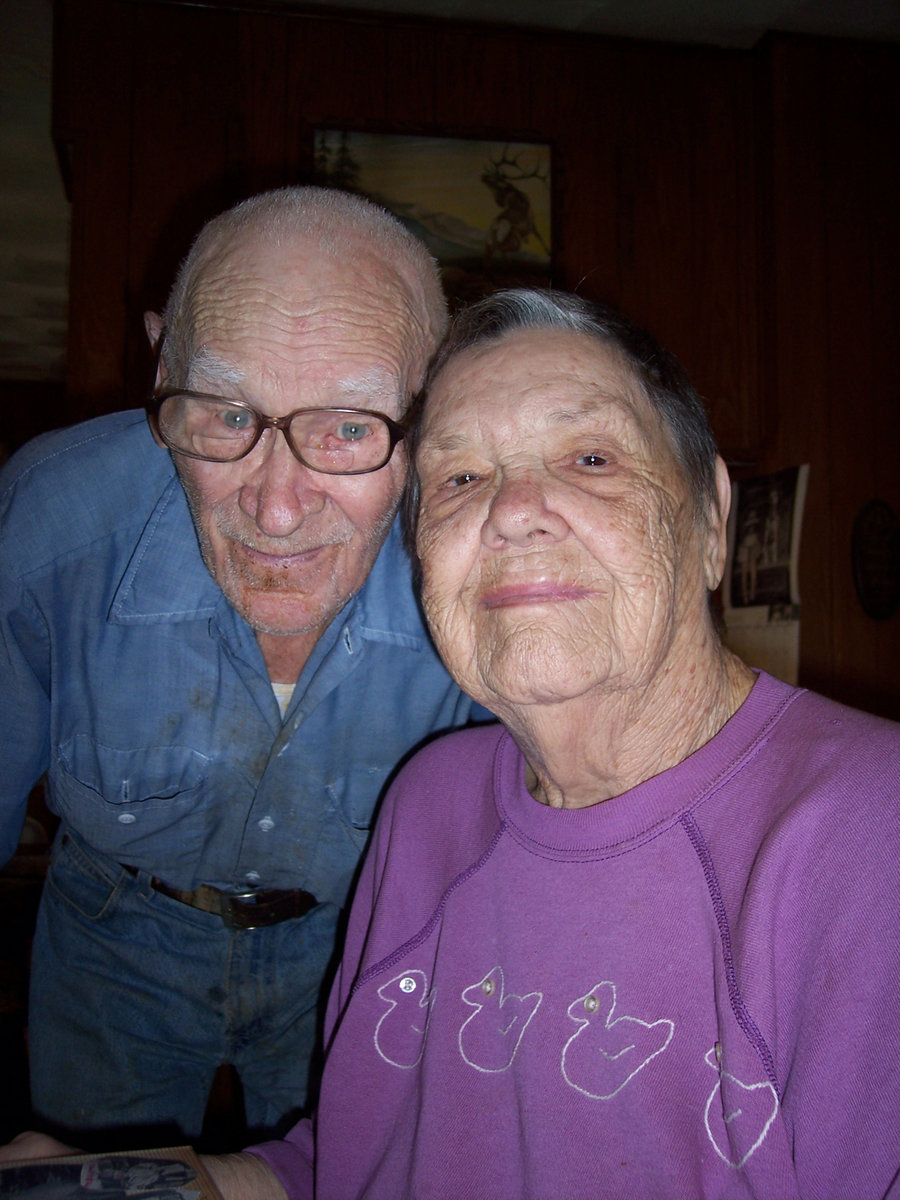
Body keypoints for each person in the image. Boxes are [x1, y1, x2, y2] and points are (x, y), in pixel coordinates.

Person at [5, 289, 898, 1197]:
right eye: (462, 479)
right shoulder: (428, 804)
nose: (513, 509)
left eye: (590, 458)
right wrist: (155, 1185)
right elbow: (354, 1161)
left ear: (710, 516)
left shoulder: (871, 835)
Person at [0, 186, 486, 1145]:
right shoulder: (50, 523)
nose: (275, 508)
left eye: (351, 427)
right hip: (108, 938)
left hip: (367, 939)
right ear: (162, 363)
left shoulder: (491, 565)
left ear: (436, 406)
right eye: (226, 415)